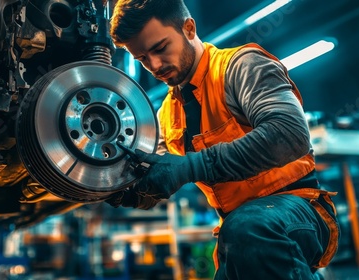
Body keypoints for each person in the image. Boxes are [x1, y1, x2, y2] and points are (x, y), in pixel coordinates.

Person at [106, 0, 340, 279]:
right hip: (239, 231)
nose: (154, 65)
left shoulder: (241, 66)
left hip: (298, 210)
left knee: (249, 228)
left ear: (189, 28)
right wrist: (128, 189)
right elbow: (155, 179)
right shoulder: (167, 115)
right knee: (242, 231)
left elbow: (289, 135)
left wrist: (189, 167)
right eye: (142, 58)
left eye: (160, 48)